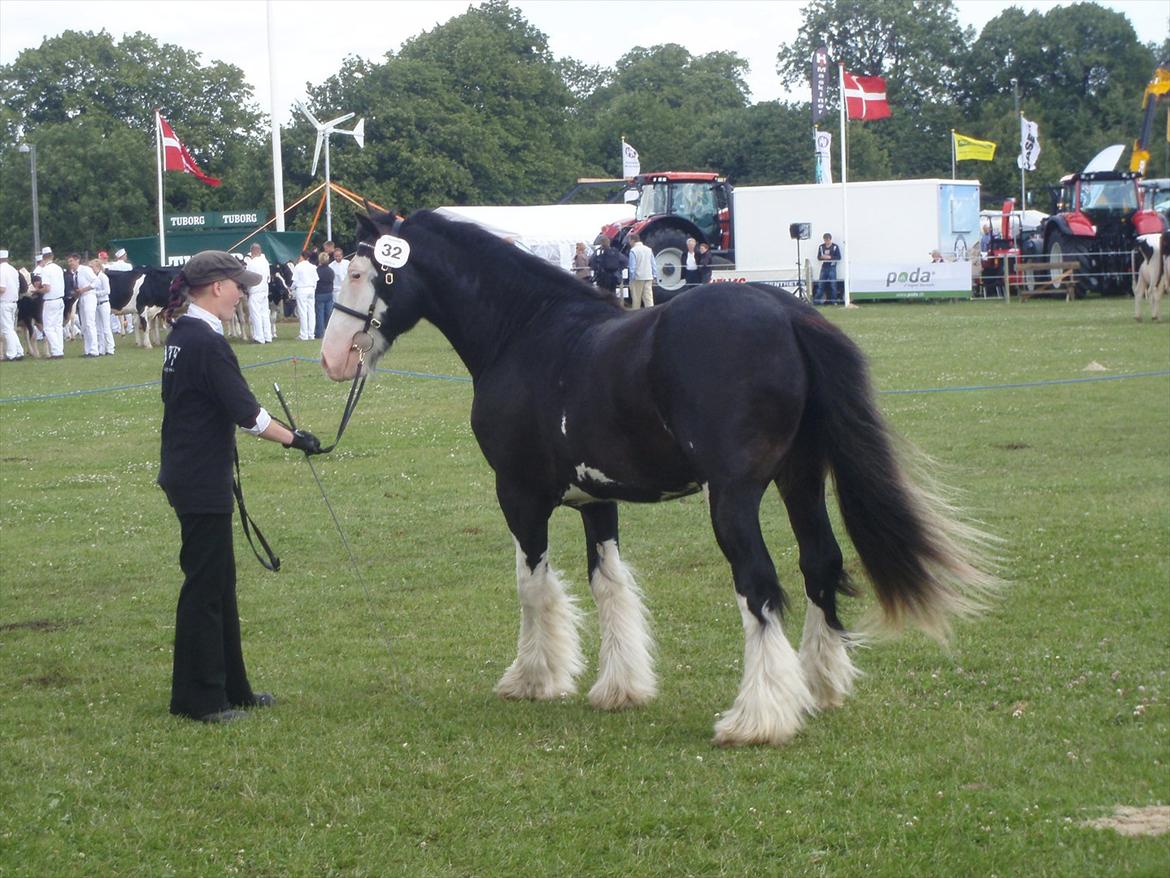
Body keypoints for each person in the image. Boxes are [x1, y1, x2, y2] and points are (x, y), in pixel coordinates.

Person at [158, 250, 323, 724]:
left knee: (219, 584)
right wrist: (296, 440)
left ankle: (234, 688)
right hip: (198, 477)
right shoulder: (206, 342)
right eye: (237, 285)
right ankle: (199, 701)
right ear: (215, 288)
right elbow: (248, 414)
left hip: (193, 472)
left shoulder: (185, 335)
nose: (243, 292)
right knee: (205, 589)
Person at [68, 253, 99, 357]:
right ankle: (87, 350)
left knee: (90, 323)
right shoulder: (74, 273)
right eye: (69, 261)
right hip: (81, 297)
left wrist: (84, 289)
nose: (70, 264)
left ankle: (94, 350)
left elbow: (96, 282)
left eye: (71, 261)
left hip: (89, 296)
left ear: (77, 260)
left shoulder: (85, 270)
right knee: (84, 325)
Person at [38, 246, 66, 357]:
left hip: (50, 300)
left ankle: (56, 350)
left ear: (43, 258)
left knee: (48, 327)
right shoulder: (58, 268)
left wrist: (37, 291)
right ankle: (60, 349)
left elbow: (47, 288)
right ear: (52, 256)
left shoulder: (45, 270)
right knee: (58, 326)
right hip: (60, 299)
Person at [243, 243, 272, 344]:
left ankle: (259, 337)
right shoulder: (265, 262)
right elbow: (268, 277)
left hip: (255, 291)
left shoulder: (252, 263)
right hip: (264, 290)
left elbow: (248, 278)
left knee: (256, 315)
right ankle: (268, 336)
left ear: (252, 251)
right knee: (265, 314)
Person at [0, 249, 24, 361]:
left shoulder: (1, 270)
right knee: (11, 329)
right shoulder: (13, 270)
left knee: (6, 329)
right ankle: (19, 351)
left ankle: (11, 354)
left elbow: (2, 288)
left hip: (4, 302)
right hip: (14, 302)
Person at [106, 248, 134, 335]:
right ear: (123, 256)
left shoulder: (112, 266)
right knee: (128, 308)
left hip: (115, 289)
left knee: (114, 309)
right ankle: (129, 327)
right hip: (127, 288)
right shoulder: (128, 266)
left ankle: (116, 328)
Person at [89, 258, 115, 355]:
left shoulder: (103, 277)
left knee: (106, 327)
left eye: (92, 267)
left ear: (98, 267)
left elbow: (107, 291)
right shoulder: (93, 277)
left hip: (104, 303)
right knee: (98, 328)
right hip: (96, 304)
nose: (91, 269)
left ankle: (110, 348)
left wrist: (95, 293)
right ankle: (101, 348)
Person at [291, 250, 317, 340]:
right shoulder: (313, 267)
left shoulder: (298, 267)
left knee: (303, 312)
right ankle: (311, 334)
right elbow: (316, 280)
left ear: (302, 257)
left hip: (302, 289)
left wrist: (291, 288)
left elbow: (295, 281)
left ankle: (303, 335)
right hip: (311, 289)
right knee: (311, 312)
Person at [627, 234, 658, 309]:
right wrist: (655, 276)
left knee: (636, 300)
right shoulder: (648, 249)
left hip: (637, 278)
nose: (629, 243)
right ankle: (651, 314)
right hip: (648, 276)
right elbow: (653, 264)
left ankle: (636, 316)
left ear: (633, 240)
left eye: (629, 241)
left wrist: (631, 279)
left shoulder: (633, 251)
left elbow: (632, 267)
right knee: (649, 299)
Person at [589, 235, 624, 300]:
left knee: (602, 294)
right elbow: (625, 261)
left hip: (602, 277)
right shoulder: (615, 252)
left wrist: (596, 268)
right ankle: (613, 307)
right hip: (613, 276)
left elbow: (591, 261)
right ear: (609, 243)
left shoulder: (598, 252)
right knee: (612, 293)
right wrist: (619, 268)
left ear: (601, 243)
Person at [815, 233, 842, 305]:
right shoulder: (821, 247)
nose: (826, 242)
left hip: (832, 267)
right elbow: (818, 257)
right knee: (821, 285)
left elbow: (839, 257)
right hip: (824, 267)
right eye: (825, 240)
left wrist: (830, 257)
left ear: (830, 239)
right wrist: (822, 257)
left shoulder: (835, 247)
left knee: (833, 285)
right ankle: (816, 301)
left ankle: (834, 301)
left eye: (828, 240)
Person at [314, 250, 334, 339]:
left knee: (319, 314)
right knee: (329, 314)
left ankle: (319, 332)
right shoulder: (330, 270)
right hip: (329, 293)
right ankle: (329, 331)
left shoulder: (317, 270)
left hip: (319, 293)